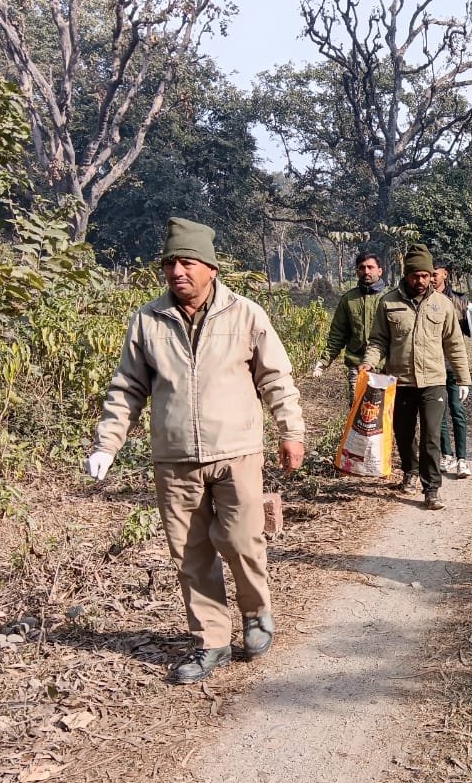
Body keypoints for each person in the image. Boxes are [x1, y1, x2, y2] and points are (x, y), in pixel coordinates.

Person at [84, 217, 306, 684]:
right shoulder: (148, 320)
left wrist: (291, 431)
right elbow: (127, 388)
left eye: (186, 263)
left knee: (242, 541)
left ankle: (256, 614)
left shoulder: (245, 314)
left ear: (210, 268)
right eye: (170, 264)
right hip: (175, 456)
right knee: (191, 553)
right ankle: (212, 640)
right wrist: (107, 443)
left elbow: (275, 379)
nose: (176, 272)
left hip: (237, 450)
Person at [359, 243, 470, 510]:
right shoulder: (389, 302)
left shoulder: (443, 305)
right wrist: (369, 362)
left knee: (431, 436)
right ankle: (410, 471)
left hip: (434, 381)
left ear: (431, 275)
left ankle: (431, 489)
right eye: (415, 276)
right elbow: (378, 340)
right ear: (406, 275)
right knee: (405, 432)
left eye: (425, 275)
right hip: (401, 381)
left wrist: (464, 378)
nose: (420, 281)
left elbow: (454, 344)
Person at [312, 251, 389, 406]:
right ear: (357, 271)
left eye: (370, 267)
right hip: (358, 365)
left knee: (385, 414)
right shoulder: (348, 300)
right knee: (358, 411)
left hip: (387, 366)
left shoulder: (391, 298)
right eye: (362, 268)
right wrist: (324, 361)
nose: (366, 271)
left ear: (380, 271)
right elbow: (338, 334)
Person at [431, 263, 472, 478]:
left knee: (457, 410)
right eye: (427, 275)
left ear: (445, 274)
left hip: (453, 366)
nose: (431, 279)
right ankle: (446, 454)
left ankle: (462, 459)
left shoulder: (460, 302)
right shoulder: (423, 300)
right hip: (432, 366)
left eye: (434, 274)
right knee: (439, 412)